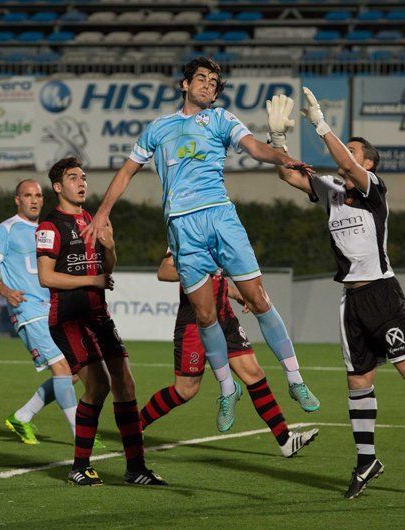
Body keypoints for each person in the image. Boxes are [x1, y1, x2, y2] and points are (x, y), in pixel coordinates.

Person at [82, 56, 320, 434]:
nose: (209, 85)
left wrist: (284, 156)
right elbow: (127, 171)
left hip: (220, 217)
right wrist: (101, 213)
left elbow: (254, 148)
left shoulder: (222, 119)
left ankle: (295, 380)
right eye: (203, 79)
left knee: (258, 299)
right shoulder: (158, 128)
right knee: (206, 315)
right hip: (182, 226)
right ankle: (228, 389)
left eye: (214, 81)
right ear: (185, 84)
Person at [266, 90, 405, 499]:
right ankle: (366, 461)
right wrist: (276, 142)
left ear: (368, 163)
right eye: (349, 149)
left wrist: (321, 124)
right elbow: (288, 174)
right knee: (358, 381)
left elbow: (343, 160)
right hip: (351, 301)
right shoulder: (331, 191)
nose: (348, 155)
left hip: (382, 294)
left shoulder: (374, 189)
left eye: (356, 150)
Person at [36, 156, 166, 487]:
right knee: (98, 385)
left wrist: (110, 248)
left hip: (98, 316)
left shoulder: (93, 219)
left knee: (126, 384)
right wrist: (91, 282)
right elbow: (46, 277)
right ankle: (79, 465)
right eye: (73, 178)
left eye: (83, 177)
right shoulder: (49, 226)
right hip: (68, 318)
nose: (82, 183)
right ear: (57, 187)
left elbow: (107, 266)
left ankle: (135, 468)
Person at [139, 250, 319, 457]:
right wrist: (196, 275)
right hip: (195, 323)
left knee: (253, 373)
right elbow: (164, 272)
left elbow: (218, 280)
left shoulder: (219, 234)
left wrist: (237, 294)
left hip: (225, 319)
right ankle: (136, 426)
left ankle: (285, 439)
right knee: (185, 390)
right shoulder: (184, 230)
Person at [0, 179, 88, 446]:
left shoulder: (47, 228)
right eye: (28, 195)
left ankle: (22, 417)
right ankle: (81, 436)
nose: (35, 200)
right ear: (18, 199)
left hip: (53, 310)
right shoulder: (6, 229)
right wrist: (5, 291)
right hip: (29, 310)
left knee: (72, 373)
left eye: (38, 195)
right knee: (62, 370)